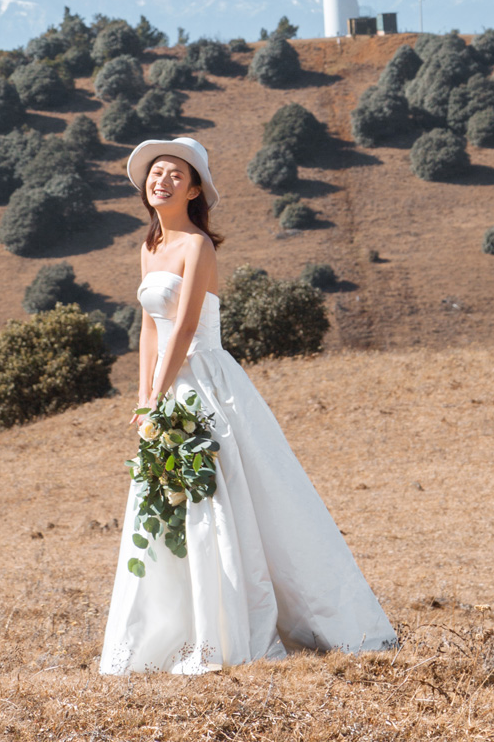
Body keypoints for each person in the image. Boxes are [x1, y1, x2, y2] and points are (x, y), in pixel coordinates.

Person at [99, 136, 396, 675]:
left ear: (193, 191)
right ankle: (174, 629)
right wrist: (145, 402)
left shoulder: (197, 246)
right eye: (156, 172)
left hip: (205, 382)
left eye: (175, 174)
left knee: (227, 497)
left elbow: (184, 328)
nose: (162, 180)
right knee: (166, 501)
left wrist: (162, 394)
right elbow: (149, 329)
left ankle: (239, 625)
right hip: (165, 387)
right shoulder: (150, 247)